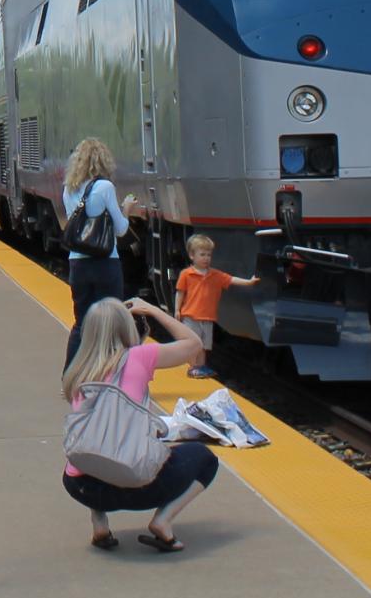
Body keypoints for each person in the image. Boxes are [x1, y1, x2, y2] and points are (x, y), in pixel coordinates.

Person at [62, 298, 217, 552]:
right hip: (139, 488)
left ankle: (99, 522)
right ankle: (163, 521)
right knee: (204, 458)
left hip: (81, 487)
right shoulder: (139, 356)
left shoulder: (78, 370)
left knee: (93, 443)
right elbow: (194, 345)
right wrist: (154, 310)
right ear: (126, 327)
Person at [60, 138, 146, 370]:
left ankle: (70, 376)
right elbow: (120, 229)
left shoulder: (68, 189)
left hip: (78, 265)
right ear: (103, 161)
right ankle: (111, 372)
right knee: (112, 321)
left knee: (82, 323)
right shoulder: (105, 187)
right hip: (105, 264)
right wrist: (127, 209)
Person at [172, 235, 256, 379]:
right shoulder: (186, 274)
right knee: (193, 344)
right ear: (192, 256)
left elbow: (231, 279)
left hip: (207, 317)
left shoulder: (215, 275)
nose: (206, 258)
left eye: (209, 255)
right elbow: (180, 293)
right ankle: (193, 367)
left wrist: (248, 282)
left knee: (204, 345)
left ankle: (201, 367)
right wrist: (177, 310)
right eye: (202, 254)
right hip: (190, 316)